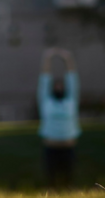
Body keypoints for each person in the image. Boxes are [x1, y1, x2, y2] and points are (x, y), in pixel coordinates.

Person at [37, 48, 81, 191]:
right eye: (56, 86)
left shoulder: (71, 101)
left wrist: (67, 59)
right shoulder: (46, 102)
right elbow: (44, 80)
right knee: (52, 183)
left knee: (68, 181)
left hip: (69, 147)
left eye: (61, 85)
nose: (58, 87)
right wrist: (47, 59)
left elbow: (73, 79)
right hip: (51, 147)